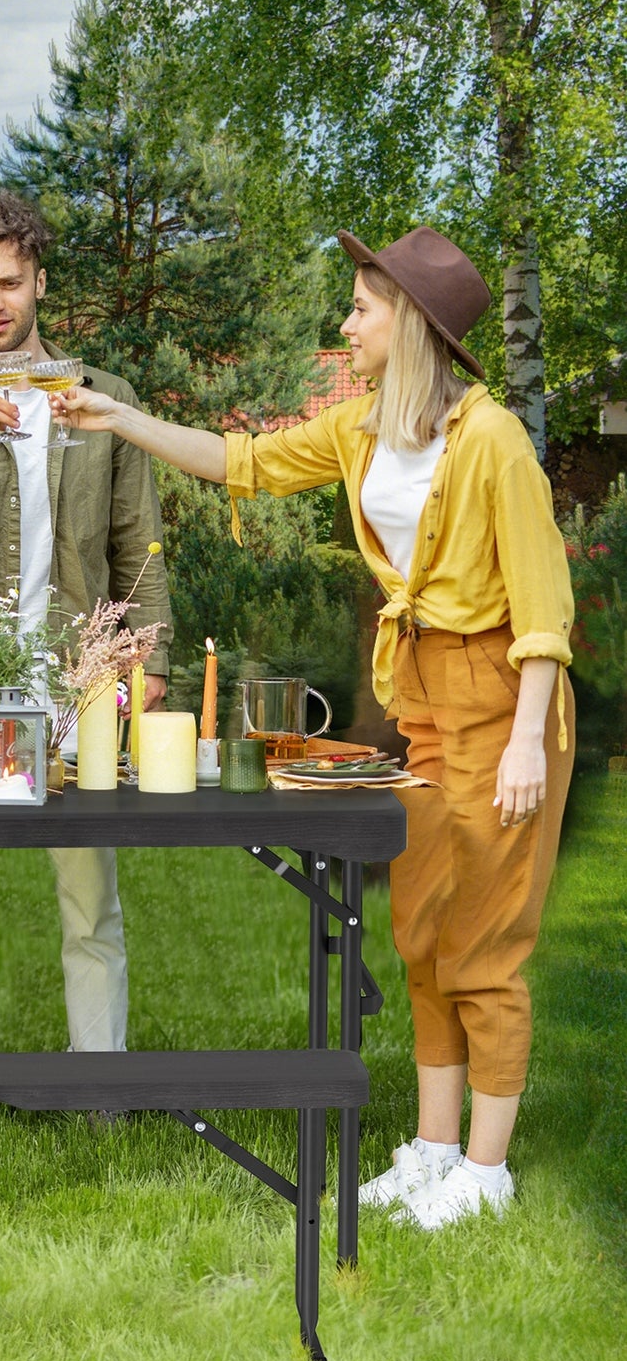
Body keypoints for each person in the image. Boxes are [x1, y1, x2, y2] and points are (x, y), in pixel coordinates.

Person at [52, 225, 574, 1228]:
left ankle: (486, 1167)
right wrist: (120, 417)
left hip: (503, 700)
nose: (345, 322)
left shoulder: (493, 439)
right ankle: (430, 1147)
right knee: (421, 932)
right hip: (419, 699)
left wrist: (522, 738)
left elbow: (542, 602)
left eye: (360, 308)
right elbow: (238, 460)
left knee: (483, 944)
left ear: (407, 322)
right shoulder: (361, 426)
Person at [0, 190, 173, 1138]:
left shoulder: (102, 401)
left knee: (87, 881)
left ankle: (100, 1086)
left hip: (72, 670)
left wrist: (150, 656)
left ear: (40, 280)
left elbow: (137, 540)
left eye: (10, 280)